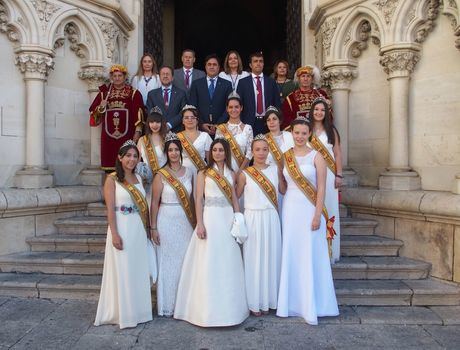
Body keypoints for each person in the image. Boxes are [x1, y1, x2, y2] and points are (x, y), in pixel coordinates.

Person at [174, 138, 249, 327]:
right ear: (210, 153)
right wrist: (200, 223)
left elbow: (234, 199)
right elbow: (198, 199)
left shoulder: (232, 173)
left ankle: (231, 310)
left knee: (228, 259)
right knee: (209, 260)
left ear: (226, 153)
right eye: (214, 150)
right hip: (210, 218)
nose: (217, 153)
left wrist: (237, 218)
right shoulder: (203, 173)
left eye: (221, 150)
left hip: (227, 218)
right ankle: (205, 311)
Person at [276, 117, 339, 325]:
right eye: (297, 133)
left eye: (304, 133)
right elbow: (283, 186)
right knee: (292, 253)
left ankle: (314, 304)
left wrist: (317, 214)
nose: (300, 136)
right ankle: (292, 303)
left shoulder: (317, 156)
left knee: (310, 254)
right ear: (291, 133)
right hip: (290, 208)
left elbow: (321, 187)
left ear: (309, 134)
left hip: (310, 209)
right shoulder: (285, 157)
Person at [94, 140, 153, 329]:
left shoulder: (139, 177)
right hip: (122, 227)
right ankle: (124, 313)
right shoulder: (112, 179)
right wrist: (115, 234)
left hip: (137, 227)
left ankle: (140, 311)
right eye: (128, 155)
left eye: (135, 156)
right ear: (120, 157)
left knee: (137, 269)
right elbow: (110, 210)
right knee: (124, 269)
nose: (132, 159)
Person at [236, 135, 285, 316]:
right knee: (254, 259)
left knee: (272, 257)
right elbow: (236, 196)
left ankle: (271, 299)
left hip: (271, 217)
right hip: (253, 219)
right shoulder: (245, 174)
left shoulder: (275, 170)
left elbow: (284, 190)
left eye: (265, 149)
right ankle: (254, 302)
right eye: (257, 149)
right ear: (252, 151)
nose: (261, 153)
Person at [150, 132, 195, 317]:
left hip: (185, 220)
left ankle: (185, 304)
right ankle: (168, 305)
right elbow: (154, 202)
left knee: (185, 261)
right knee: (168, 262)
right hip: (166, 218)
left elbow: (192, 199)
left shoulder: (190, 172)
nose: (174, 153)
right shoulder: (160, 175)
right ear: (166, 153)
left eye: (176, 149)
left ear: (180, 151)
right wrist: (152, 227)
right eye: (171, 150)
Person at [89, 64, 144, 170]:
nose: (117, 78)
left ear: (124, 77)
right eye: (114, 76)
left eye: (120, 76)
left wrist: (137, 132)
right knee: (110, 166)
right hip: (108, 137)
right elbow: (94, 116)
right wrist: (101, 107)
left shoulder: (133, 93)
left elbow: (139, 116)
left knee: (127, 165)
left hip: (128, 136)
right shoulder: (104, 94)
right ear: (111, 78)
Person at [309, 97, 342, 263]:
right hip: (311, 175)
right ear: (312, 111)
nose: (319, 112)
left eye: (322, 110)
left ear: (326, 112)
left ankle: (330, 249)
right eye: (316, 109)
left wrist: (339, 174)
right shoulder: (306, 131)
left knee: (329, 209)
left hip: (329, 176)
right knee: (313, 209)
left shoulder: (332, 131)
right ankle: (315, 247)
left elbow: (337, 154)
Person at [237, 52, 281, 136]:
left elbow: (277, 104)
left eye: (261, 61)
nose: (258, 63)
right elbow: (239, 104)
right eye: (255, 61)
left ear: (263, 64)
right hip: (248, 123)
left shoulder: (271, 82)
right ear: (250, 65)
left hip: (268, 122)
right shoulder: (243, 82)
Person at [189, 54, 233, 136]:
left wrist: (219, 124)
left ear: (219, 67)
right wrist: (201, 124)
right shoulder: (196, 84)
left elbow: (229, 107)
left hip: (221, 128)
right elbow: (193, 107)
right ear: (205, 67)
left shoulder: (227, 84)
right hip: (200, 129)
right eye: (209, 64)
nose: (212, 67)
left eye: (214, 64)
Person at [281, 65, 331, 129]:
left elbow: (328, 115)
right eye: (303, 76)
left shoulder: (321, 94)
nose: (305, 79)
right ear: (299, 79)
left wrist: (328, 106)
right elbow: (286, 119)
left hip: (318, 131)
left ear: (312, 79)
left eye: (308, 76)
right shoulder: (290, 98)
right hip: (299, 133)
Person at [215, 92, 253, 174]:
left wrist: (240, 172)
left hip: (242, 170)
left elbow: (250, 153)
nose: (233, 110)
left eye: (236, 107)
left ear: (241, 108)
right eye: (230, 107)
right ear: (227, 109)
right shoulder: (221, 128)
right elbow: (216, 151)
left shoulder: (248, 128)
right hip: (223, 171)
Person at [177, 105, 213, 183]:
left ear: (197, 120)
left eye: (193, 117)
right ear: (182, 121)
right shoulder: (177, 137)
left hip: (200, 172)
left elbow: (210, 160)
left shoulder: (205, 136)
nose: (190, 120)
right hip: (181, 173)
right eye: (186, 117)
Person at [146, 66, 187, 132]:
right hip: (157, 131)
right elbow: (150, 113)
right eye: (163, 74)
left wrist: (169, 125)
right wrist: (160, 125)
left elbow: (183, 112)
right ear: (159, 77)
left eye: (167, 74)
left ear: (172, 77)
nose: (165, 76)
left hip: (177, 131)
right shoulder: (152, 94)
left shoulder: (181, 93)